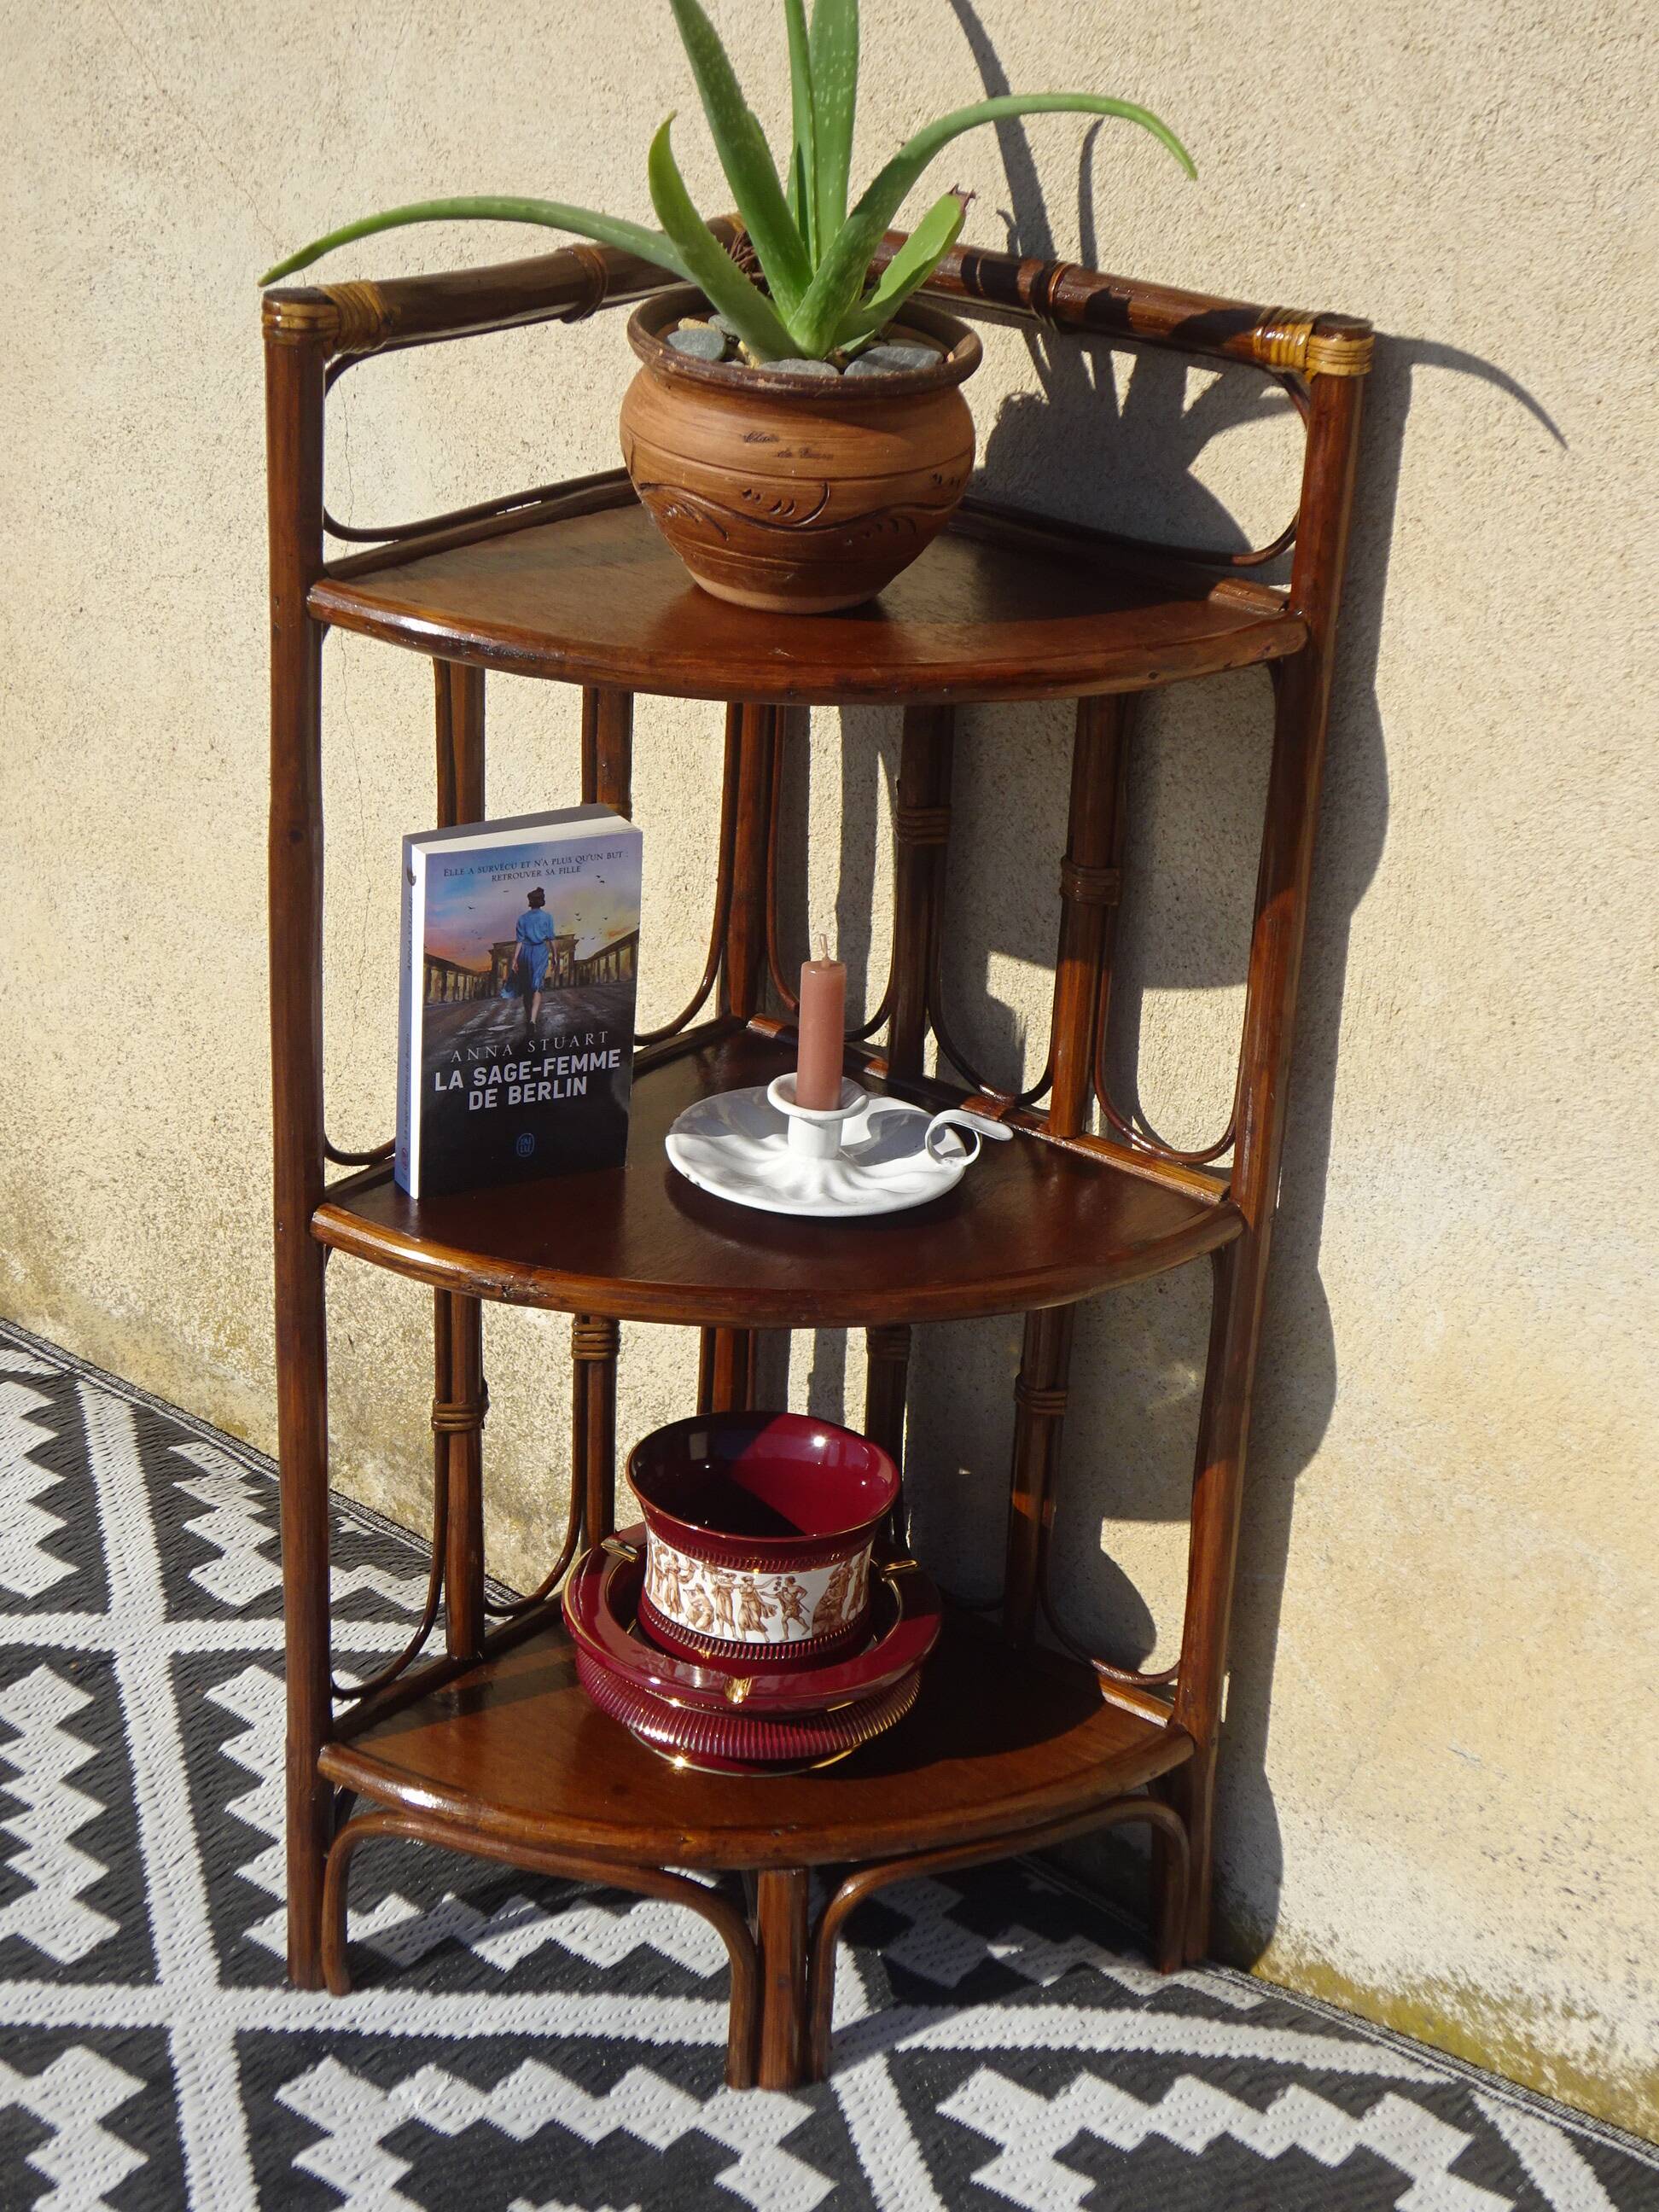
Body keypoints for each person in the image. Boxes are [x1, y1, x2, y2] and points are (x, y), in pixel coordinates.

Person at [512, 887, 556, 1047]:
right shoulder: (547, 917)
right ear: (542, 901)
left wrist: (514, 960)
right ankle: (532, 1020)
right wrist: (555, 956)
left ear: (530, 902)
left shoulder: (522, 918)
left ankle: (528, 1017)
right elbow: (551, 938)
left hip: (525, 953)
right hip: (540, 952)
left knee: (526, 989)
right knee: (537, 987)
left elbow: (519, 942)